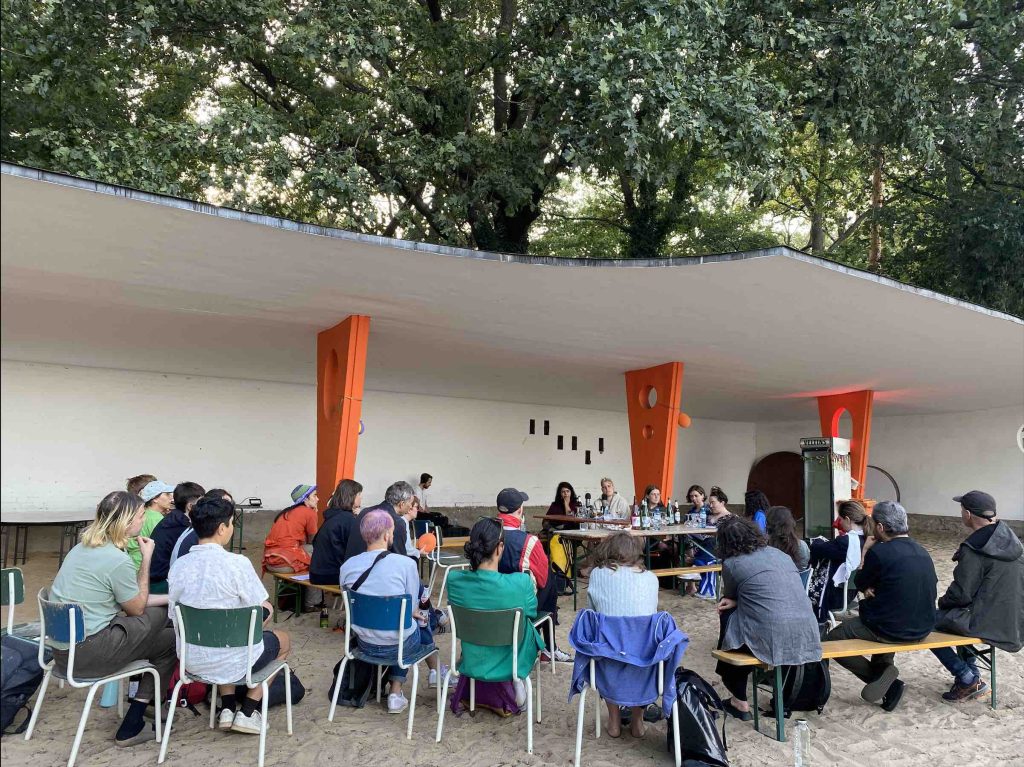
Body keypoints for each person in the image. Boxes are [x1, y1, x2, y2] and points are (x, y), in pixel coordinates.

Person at [50, 491, 176, 747]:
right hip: (90, 653)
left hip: (64, 652)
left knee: (169, 640)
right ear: (127, 522)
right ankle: (146, 707)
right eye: (141, 516)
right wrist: (147, 559)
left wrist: (170, 597)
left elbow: (127, 602)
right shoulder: (117, 560)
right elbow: (137, 609)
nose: (144, 521)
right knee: (162, 619)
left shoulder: (81, 548)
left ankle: (136, 719)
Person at [168, 496, 291, 734]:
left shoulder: (179, 566)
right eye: (232, 523)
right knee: (282, 640)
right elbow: (260, 608)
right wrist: (265, 611)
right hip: (235, 659)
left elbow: (174, 615)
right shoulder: (238, 564)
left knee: (224, 635)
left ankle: (226, 708)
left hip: (192, 659)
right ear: (222, 528)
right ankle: (247, 711)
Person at [825, 501, 936, 712]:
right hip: (923, 625)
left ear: (881, 528)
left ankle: (884, 680)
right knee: (887, 613)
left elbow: (861, 581)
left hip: (890, 627)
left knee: (833, 640)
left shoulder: (880, 553)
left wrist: (866, 550)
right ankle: (885, 680)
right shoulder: (923, 552)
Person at [714, 516, 821, 721]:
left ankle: (739, 699)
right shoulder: (780, 555)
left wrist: (734, 603)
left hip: (773, 633)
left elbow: (731, 595)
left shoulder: (732, 563)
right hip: (806, 629)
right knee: (738, 614)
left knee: (728, 614)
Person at [339, 510, 442, 714]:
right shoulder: (405, 564)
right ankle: (398, 690)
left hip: (364, 644)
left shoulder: (347, 566)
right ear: (387, 535)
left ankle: (432, 673)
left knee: (405, 623)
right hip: (398, 646)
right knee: (418, 622)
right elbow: (412, 603)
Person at [931, 491, 1023, 702]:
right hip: (1013, 621)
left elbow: (961, 594)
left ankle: (966, 678)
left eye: (962, 510)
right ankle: (972, 674)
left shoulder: (974, 548)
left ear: (968, 514)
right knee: (958, 615)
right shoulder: (1013, 542)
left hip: (986, 622)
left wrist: (942, 603)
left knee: (925, 622)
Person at [447, 517, 544, 708]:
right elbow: (532, 612)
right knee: (526, 625)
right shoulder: (520, 582)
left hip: (473, 658)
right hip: (510, 662)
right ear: (500, 548)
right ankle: (518, 680)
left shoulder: (454, 579)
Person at [585, 531, 660, 737]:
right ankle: (637, 721)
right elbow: (651, 612)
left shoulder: (598, 575)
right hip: (643, 657)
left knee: (603, 640)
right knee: (641, 644)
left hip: (608, 653)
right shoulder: (651, 579)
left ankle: (614, 721)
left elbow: (591, 614)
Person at [497, 487, 572, 663]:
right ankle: (548, 647)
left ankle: (546, 646)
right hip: (519, 605)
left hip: (489, 599)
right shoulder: (529, 541)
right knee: (550, 580)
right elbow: (542, 579)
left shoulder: (486, 533)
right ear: (520, 510)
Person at [808, 500, 872, 622]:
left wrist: (818, 541)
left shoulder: (845, 542)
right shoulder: (867, 539)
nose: (840, 522)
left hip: (835, 596)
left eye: (841, 519)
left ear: (847, 519)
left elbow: (818, 548)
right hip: (851, 594)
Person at [263, 484, 322, 610]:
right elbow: (314, 541)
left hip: (270, 559)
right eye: (315, 496)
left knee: (311, 553)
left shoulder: (287, 512)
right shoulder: (309, 513)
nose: (318, 499)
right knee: (318, 557)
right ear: (305, 499)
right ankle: (312, 603)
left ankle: (290, 601)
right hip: (284, 561)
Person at [148, 481, 206, 594]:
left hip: (159, 578)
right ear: (190, 506)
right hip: (160, 583)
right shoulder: (181, 527)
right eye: (202, 503)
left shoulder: (175, 518)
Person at [309, 479, 363, 587]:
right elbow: (357, 550)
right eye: (359, 495)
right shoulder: (348, 519)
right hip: (331, 574)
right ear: (351, 496)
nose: (361, 498)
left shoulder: (332, 517)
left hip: (316, 573)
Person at [344, 481, 415, 561]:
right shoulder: (396, 522)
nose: (411, 506)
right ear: (402, 504)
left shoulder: (365, 512)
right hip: (373, 570)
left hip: (350, 566)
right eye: (411, 503)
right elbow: (399, 558)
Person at [125, 479, 175, 570]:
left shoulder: (144, 513)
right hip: (144, 563)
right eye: (167, 494)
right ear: (155, 499)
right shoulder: (157, 519)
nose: (171, 498)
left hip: (133, 561)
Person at [693, 486, 731, 601]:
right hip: (703, 547)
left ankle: (706, 588)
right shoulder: (708, 516)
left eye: (713, 503)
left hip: (721, 551)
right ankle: (694, 568)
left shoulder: (730, 518)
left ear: (722, 502)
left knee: (711, 544)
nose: (710, 505)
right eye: (709, 503)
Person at [766, 505, 810, 570]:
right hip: (798, 579)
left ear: (769, 526)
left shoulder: (766, 549)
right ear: (791, 523)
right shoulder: (803, 546)